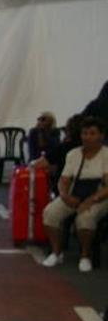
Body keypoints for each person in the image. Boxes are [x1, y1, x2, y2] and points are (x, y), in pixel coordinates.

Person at [41, 117, 108, 273]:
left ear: (101, 136)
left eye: (92, 133)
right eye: (85, 133)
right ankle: (56, 253)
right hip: (75, 193)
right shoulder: (73, 154)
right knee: (50, 213)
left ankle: (85, 256)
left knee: (85, 218)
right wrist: (64, 196)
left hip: (100, 195)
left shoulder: (106, 155)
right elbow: (63, 180)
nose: (87, 137)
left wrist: (92, 200)